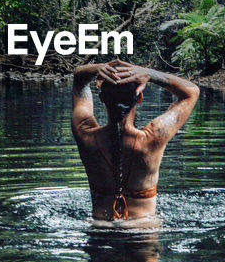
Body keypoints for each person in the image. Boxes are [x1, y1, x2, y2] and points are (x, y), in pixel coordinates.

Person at [70, 59, 199, 227]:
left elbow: (79, 79)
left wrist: (99, 68)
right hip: (143, 229)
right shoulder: (153, 138)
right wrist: (149, 74)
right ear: (140, 98)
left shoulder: (85, 134)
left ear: (101, 98)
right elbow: (192, 92)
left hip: (100, 229)